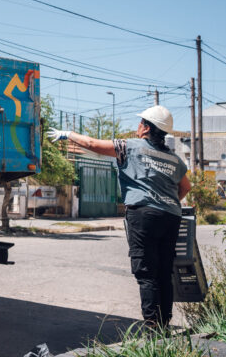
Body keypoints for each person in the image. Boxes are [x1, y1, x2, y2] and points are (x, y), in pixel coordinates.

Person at [47, 105, 192, 328]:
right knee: (164, 271)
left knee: (146, 271)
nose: (138, 126)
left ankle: (152, 326)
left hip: (144, 215)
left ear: (146, 128)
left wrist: (68, 134)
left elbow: (92, 144)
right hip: (171, 216)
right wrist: (166, 202)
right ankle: (164, 323)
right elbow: (185, 187)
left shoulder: (129, 146)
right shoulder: (175, 159)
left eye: (141, 122)